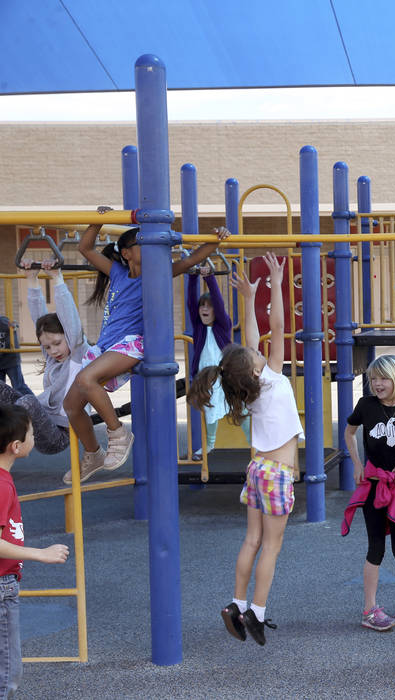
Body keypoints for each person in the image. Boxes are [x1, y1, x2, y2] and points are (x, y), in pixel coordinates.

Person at [63, 207, 228, 483]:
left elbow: (193, 260)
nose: (148, 246)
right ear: (126, 253)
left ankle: (119, 433)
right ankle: (93, 454)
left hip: (132, 344)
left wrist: (216, 240)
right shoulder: (116, 272)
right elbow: (85, 247)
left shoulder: (158, 273)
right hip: (107, 345)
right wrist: (98, 221)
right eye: (141, 242)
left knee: (85, 378)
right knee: (71, 405)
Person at [188, 253, 303, 646]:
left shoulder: (246, 389)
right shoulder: (270, 377)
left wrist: (250, 296)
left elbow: (253, 339)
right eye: (256, 355)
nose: (259, 350)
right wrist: (274, 282)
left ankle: (236, 603)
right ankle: (257, 611)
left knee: (251, 540)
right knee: (272, 545)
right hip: (276, 474)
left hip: (256, 471)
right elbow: (279, 327)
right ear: (255, 368)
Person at [341, 354, 395, 633]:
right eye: (373, 379)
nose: (377, 384)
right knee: (375, 546)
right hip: (375, 484)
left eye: (383, 378)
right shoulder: (365, 406)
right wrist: (356, 463)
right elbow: (349, 433)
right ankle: (369, 609)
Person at [0, 405, 70, 697]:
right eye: (31, 433)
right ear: (16, 447)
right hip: (2, 583)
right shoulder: (2, 486)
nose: (35, 436)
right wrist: (41, 553)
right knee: (7, 672)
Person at [0, 263, 89, 460]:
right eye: (47, 347)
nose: (53, 351)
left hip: (58, 435)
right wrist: (32, 279)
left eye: (57, 343)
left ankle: (5, 431)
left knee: (28, 401)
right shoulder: (52, 356)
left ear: (68, 336)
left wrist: (57, 279)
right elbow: (39, 317)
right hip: (39, 422)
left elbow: (71, 321)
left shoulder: (77, 354)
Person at [186, 261, 247, 459]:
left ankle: (255, 444)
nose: (204, 309)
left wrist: (210, 278)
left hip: (225, 375)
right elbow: (190, 302)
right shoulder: (198, 327)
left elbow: (220, 305)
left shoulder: (223, 325)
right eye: (202, 306)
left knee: (241, 407)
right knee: (210, 410)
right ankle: (209, 445)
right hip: (207, 378)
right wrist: (193, 277)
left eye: (208, 307)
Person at [0, 316, 32, 397]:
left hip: (11, 360)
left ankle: (34, 402)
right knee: (1, 388)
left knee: (19, 386)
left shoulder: (4, 322)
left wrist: (13, 325)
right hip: (2, 361)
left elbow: (11, 341)